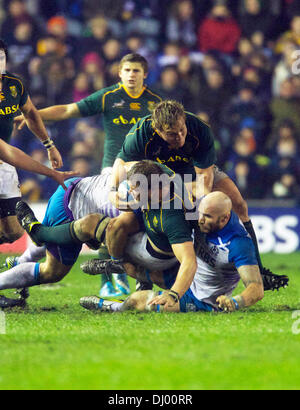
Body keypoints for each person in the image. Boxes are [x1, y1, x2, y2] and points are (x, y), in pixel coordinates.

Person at [14, 52, 162, 297]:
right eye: (127, 70)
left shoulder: (155, 102)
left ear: (145, 74)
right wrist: (33, 114)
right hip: (112, 173)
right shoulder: (108, 96)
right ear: (119, 73)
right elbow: (68, 110)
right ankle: (109, 280)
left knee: (134, 226)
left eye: (136, 71)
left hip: (143, 173)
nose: (131, 75)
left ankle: (136, 280)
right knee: (112, 224)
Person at [108, 99, 275, 284]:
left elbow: (204, 179)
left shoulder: (199, 129)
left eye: (182, 130)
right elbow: (121, 163)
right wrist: (113, 191)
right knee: (127, 222)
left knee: (238, 204)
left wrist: (200, 209)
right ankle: (131, 272)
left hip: (194, 175)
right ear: (157, 130)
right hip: (158, 179)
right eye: (172, 134)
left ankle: (259, 270)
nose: (180, 137)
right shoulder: (141, 133)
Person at [0, 161, 198, 310]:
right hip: (71, 204)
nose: (136, 198)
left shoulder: (156, 180)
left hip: (88, 205)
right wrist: (117, 262)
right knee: (52, 271)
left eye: (139, 195)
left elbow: (123, 164)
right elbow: (120, 164)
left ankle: (27, 252)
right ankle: (39, 233)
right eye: (134, 193)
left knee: (126, 238)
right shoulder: (131, 200)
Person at [79, 191, 265, 313]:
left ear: (224, 218)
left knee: (138, 301)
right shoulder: (202, 213)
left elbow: (256, 288)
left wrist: (236, 302)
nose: (199, 219)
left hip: (203, 299)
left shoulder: (238, 243)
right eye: (200, 213)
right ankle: (117, 267)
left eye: (207, 217)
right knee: (138, 268)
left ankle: (110, 307)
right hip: (186, 276)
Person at [0, 38, 63, 246]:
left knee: (14, 232)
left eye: (0, 57)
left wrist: (49, 145)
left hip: (4, 163)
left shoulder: (14, 84)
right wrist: (51, 173)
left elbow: (31, 113)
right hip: (5, 154)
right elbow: (9, 152)